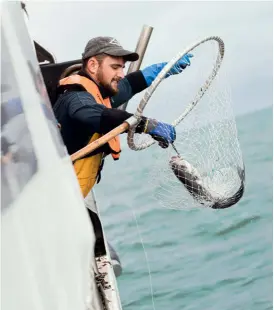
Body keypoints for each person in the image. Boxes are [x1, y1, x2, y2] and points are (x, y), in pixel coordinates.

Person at [54, 36, 193, 198]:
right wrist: (147, 125)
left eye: (122, 67)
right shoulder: (76, 96)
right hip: (56, 199)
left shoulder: (100, 92)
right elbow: (92, 115)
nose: (121, 74)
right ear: (92, 65)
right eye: (115, 67)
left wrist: (163, 69)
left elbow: (130, 84)